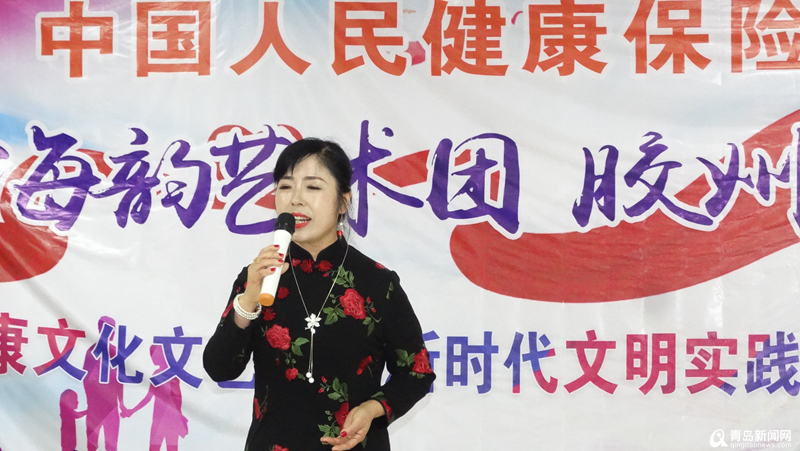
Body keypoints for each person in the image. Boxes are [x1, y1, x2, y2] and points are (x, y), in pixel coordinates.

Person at [203, 138, 435, 451]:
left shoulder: (378, 283)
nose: (296, 199)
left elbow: (416, 372)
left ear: (343, 201)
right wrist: (248, 301)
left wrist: (372, 409)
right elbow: (220, 368)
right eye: (285, 187)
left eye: (312, 187)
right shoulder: (259, 276)